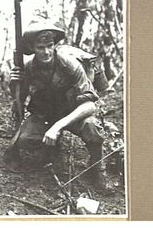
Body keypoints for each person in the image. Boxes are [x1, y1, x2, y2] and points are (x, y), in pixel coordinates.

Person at [7, 21, 106, 190]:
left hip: (71, 113)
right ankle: (52, 149)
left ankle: (97, 167)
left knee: (92, 127)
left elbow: (90, 105)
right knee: (25, 140)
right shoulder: (29, 68)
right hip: (45, 115)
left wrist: (58, 126)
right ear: (32, 48)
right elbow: (20, 100)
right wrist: (14, 83)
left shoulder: (70, 65)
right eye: (40, 47)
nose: (46, 52)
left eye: (50, 45)